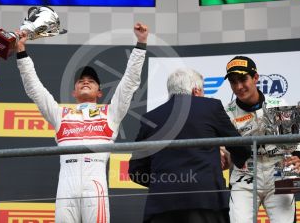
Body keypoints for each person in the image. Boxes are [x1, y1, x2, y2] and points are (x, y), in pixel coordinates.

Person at [15, 23, 148, 223]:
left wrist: (141, 44)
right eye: (80, 81)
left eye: (91, 81)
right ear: (74, 92)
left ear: (99, 92)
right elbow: (35, 89)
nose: (85, 82)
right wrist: (21, 52)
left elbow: (129, 83)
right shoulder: (60, 114)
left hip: (95, 183)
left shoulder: (110, 113)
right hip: (65, 186)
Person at [128, 69, 251, 223]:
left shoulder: (150, 117)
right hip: (206, 202)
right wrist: (234, 159)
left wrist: (164, 181)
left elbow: (136, 170)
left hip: (161, 206)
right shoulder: (210, 106)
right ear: (196, 90)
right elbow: (241, 147)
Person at [224, 56, 300, 223]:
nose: (239, 87)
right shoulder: (227, 112)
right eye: (233, 82)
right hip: (245, 176)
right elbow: (223, 151)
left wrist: (298, 156)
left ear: (256, 78)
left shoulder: (278, 103)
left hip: (278, 173)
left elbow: (294, 143)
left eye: (243, 79)